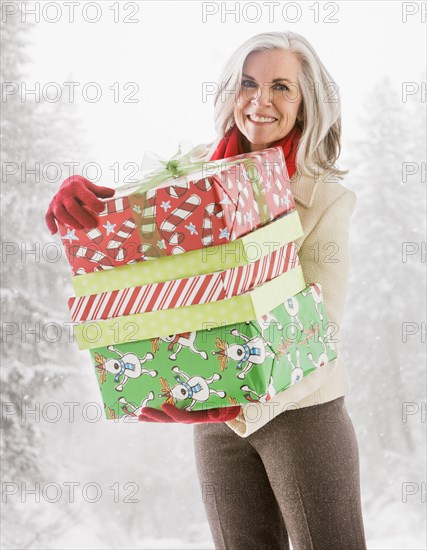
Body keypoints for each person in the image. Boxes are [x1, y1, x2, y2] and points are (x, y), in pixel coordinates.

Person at [45, 30, 367, 550]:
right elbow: (141, 241)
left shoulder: (326, 199)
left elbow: (319, 328)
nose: (261, 101)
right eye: (248, 83)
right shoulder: (199, 173)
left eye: (281, 87)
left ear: (307, 102)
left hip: (302, 415)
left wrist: (227, 389)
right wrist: (84, 204)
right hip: (215, 418)